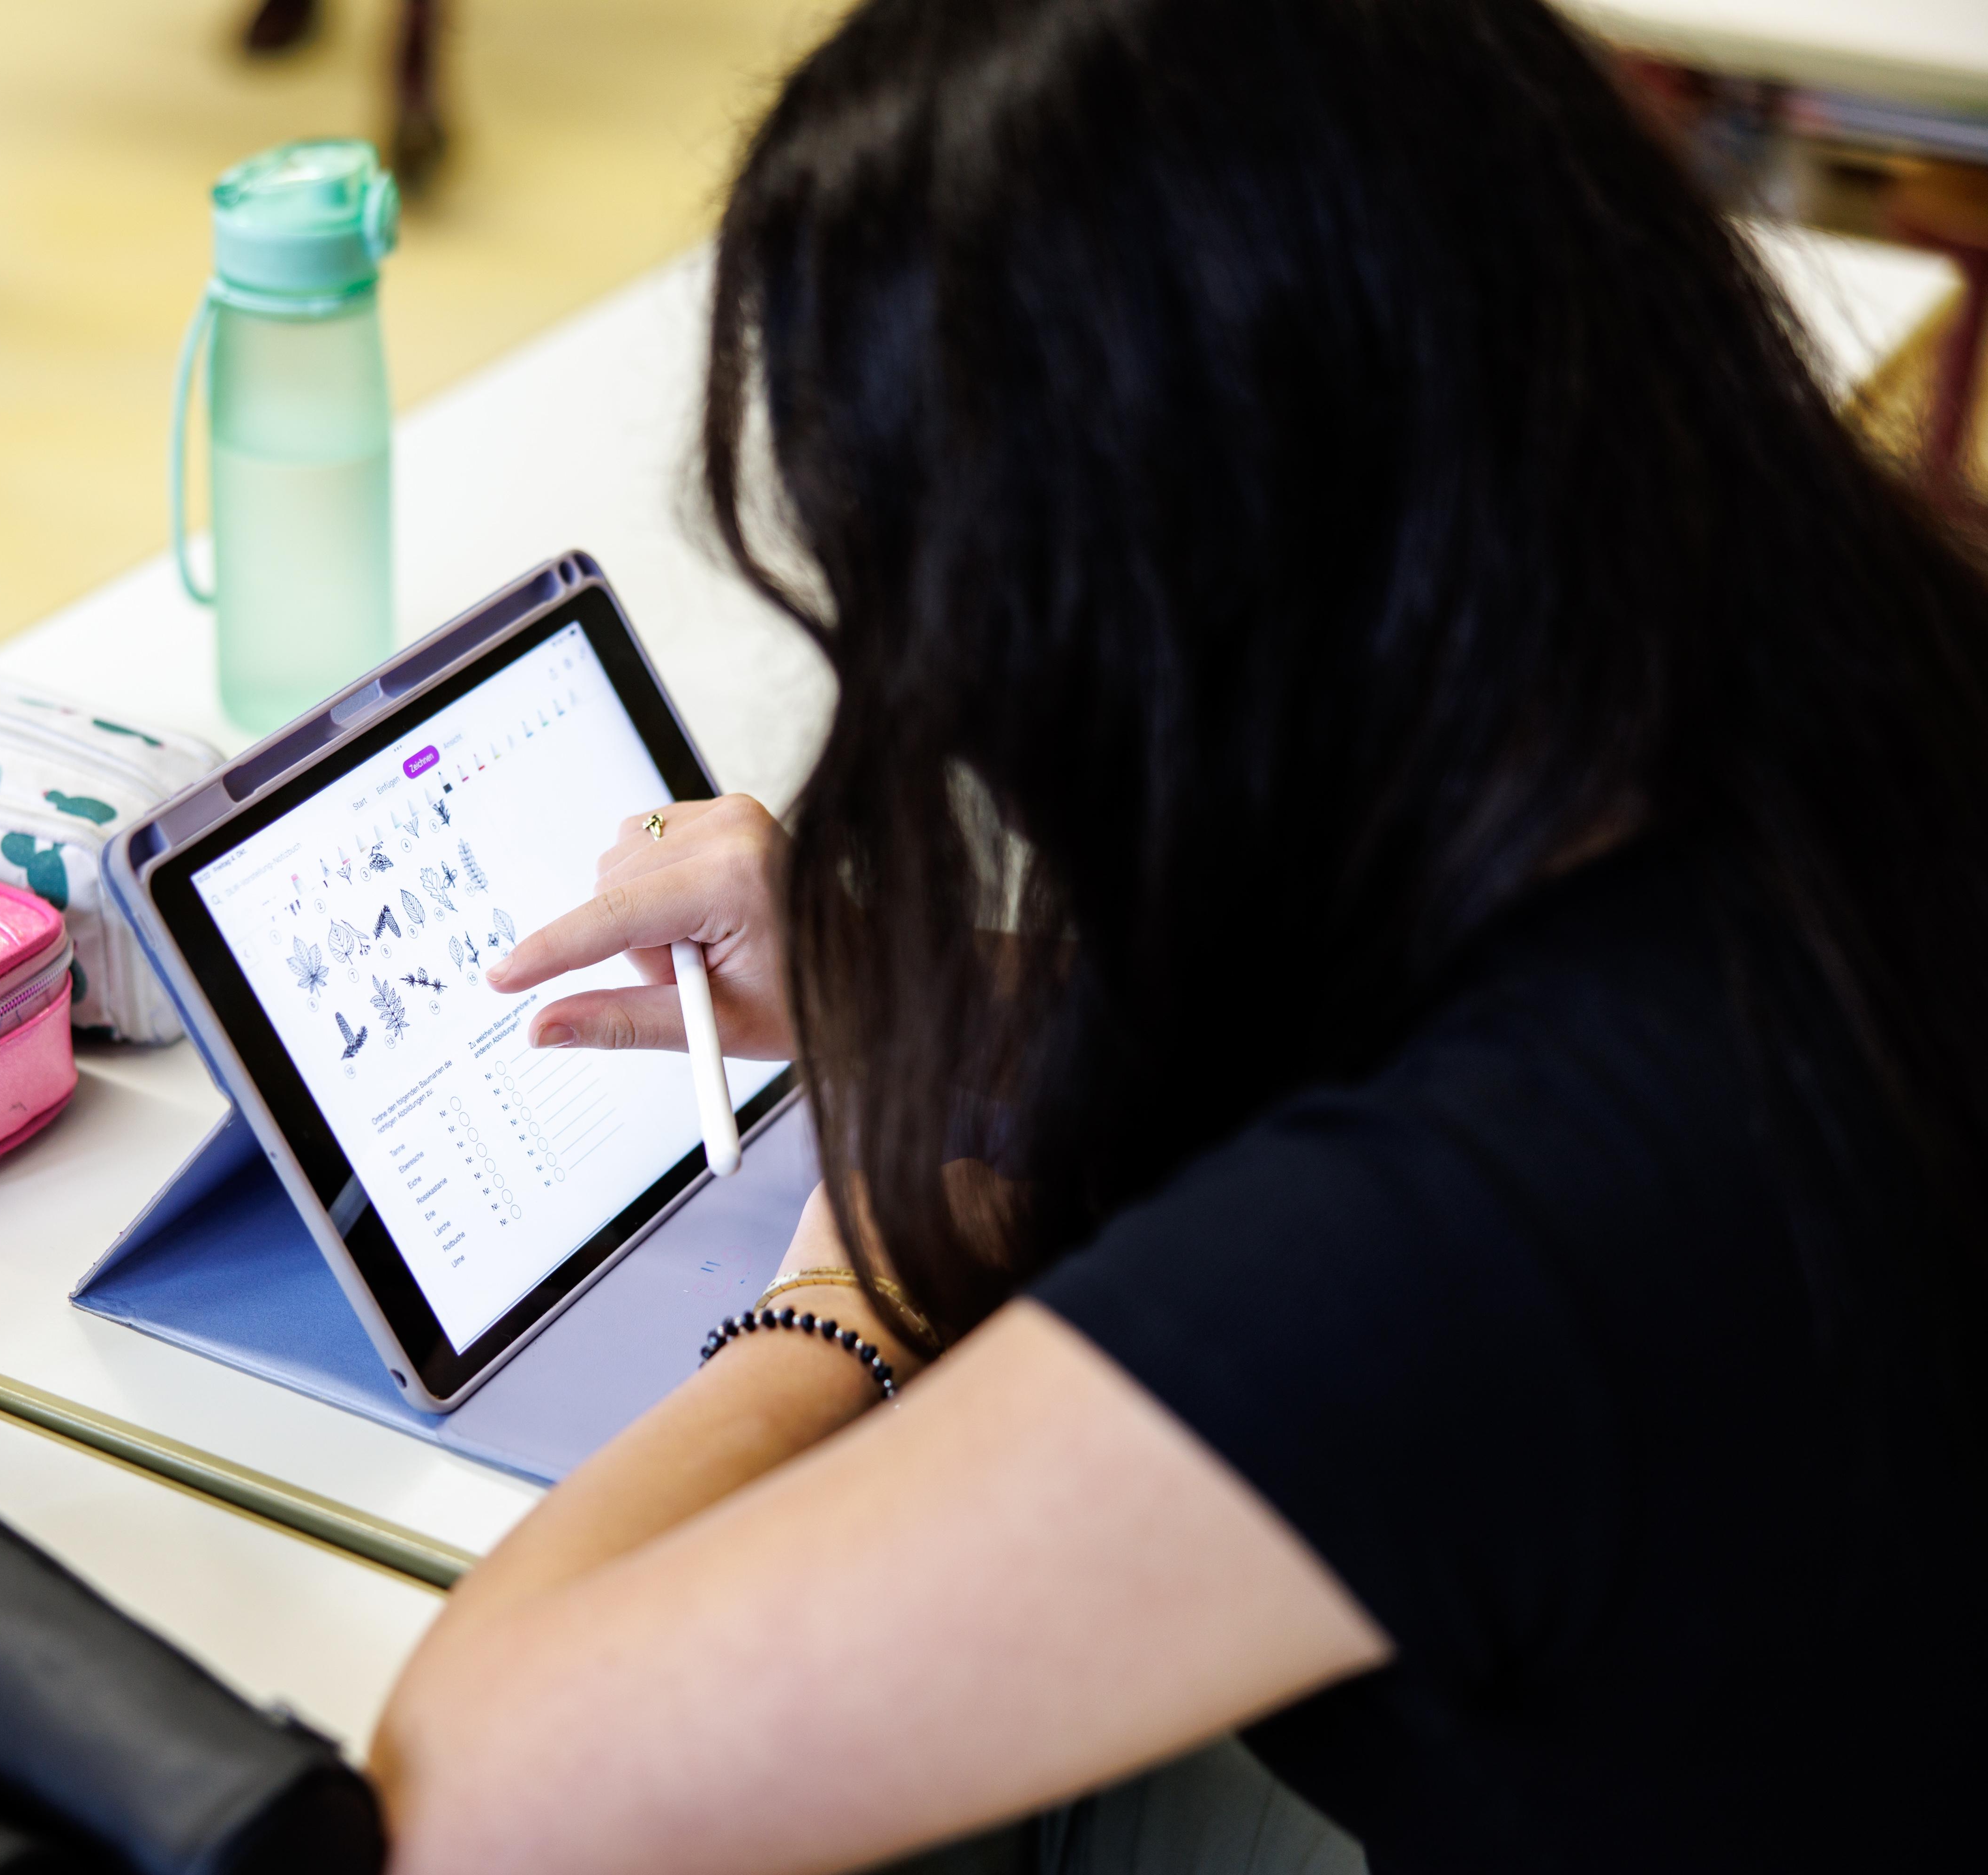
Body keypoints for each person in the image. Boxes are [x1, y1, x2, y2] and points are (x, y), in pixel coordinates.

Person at [366, 0, 1988, 1870]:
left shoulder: (1460, 1237)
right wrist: (956, 1005)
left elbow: (473, 1796)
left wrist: (859, 1293)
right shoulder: (1827, 707)